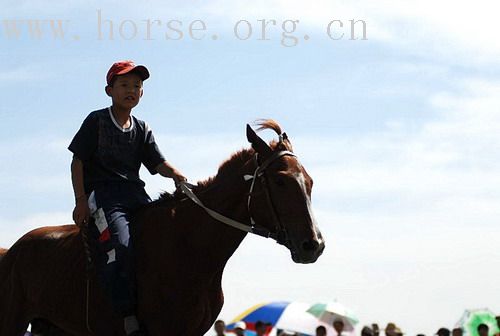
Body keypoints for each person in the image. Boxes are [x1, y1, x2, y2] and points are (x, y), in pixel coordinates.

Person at [69, 60, 186, 336]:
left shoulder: (142, 128)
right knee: (121, 247)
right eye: (124, 85)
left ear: (142, 93)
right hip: (105, 197)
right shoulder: (96, 121)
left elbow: (157, 164)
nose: (131, 90)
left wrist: (177, 174)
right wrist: (81, 200)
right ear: (109, 90)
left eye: (137, 85)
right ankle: (127, 315)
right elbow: (77, 162)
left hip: (137, 196)